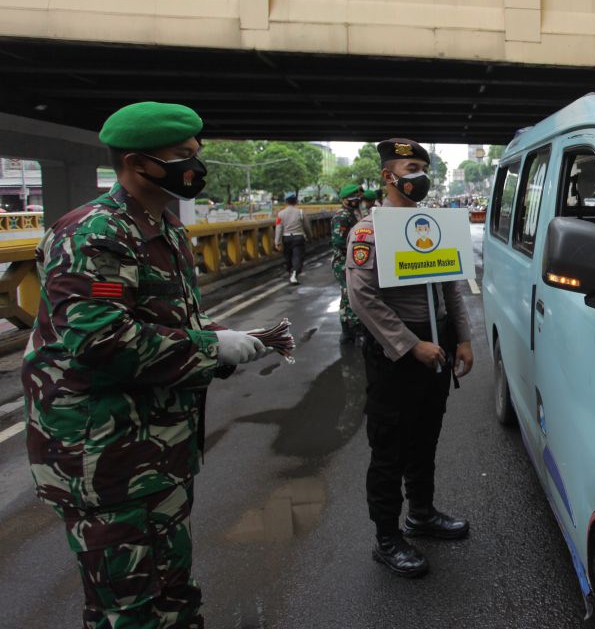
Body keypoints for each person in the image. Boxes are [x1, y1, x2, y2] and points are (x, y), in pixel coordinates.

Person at [22, 101, 272, 629]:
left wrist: (215, 331)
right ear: (139, 164)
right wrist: (210, 348)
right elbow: (100, 340)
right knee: (128, 609)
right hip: (105, 459)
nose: (196, 166)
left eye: (196, 154)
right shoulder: (95, 234)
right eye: (183, 156)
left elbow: (163, 316)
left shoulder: (166, 230)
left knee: (173, 590)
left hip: (156, 450)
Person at [346, 138, 474, 578]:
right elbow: (362, 296)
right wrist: (409, 344)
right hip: (396, 355)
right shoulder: (369, 230)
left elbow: (452, 284)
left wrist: (463, 338)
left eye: (423, 166)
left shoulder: (433, 223)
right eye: (410, 166)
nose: (420, 175)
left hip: (437, 346)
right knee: (390, 448)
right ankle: (387, 538)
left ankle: (421, 513)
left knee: (426, 437)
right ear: (388, 176)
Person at [331, 183, 363, 343]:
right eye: (353, 198)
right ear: (344, 199)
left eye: (358, 197)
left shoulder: (354, 213)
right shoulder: (342, 216)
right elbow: (338, 241)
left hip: (351, 260)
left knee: (348, 295)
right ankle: (354, 330)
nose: (357, 200)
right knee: (349, 295)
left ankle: (347, 331)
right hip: (343, 261)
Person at [274, 192, 307, 285]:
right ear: (295, 201)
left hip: (286, 238)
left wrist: (277, 242)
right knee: (297, 257)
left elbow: (279, 228)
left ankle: (290, 272)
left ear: (286, 202)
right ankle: (294, 274)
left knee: (288, 257)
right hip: (299, 237)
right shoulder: (300, 212)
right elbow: (306, 226)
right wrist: (309, 236)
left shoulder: (280, 214)